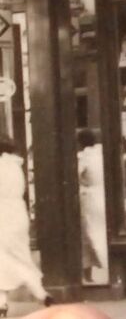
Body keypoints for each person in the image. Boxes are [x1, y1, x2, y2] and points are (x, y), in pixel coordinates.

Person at [0, 135, 51, 317]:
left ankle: (3, 303)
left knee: (3, 258)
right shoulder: (15, 166)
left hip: (2, 214)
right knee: (19, 256)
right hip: (18, 213)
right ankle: (40, 293)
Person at [76, 129, 108, 284]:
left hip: (89, 198)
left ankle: (87, 274)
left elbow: (74, 175)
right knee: (101, 233)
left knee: (88, 236)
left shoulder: (84, 157)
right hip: (104, 197)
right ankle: (106, 268)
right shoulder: (102, 154)